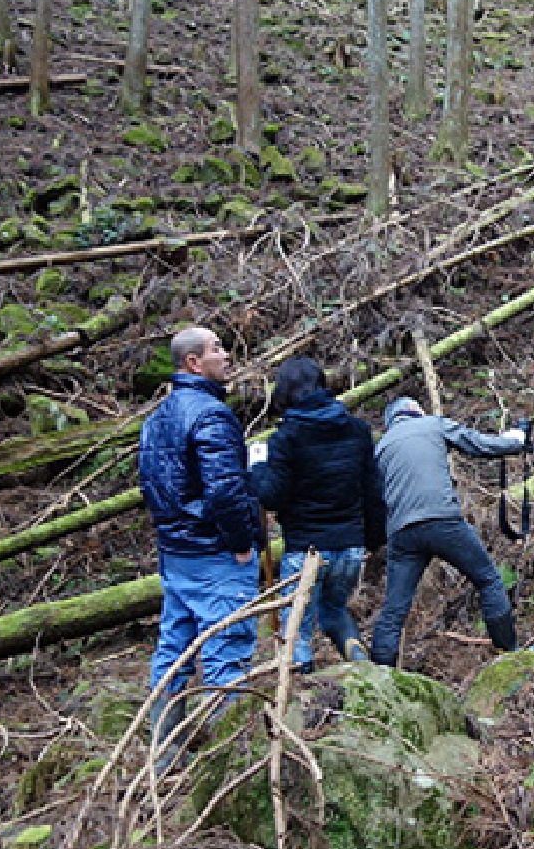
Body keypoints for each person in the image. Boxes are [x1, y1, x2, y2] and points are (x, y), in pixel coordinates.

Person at [137, 326, 265, 764]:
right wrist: (242, 542)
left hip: (176, 552)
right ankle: (233, 762)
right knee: (228, 648)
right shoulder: (211, 415)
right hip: (214, 552)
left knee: (174, 648)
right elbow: (225, 489)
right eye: (216, 349)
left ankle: (164, 753)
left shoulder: (156, 418)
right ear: (193, 362)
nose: (226, 355)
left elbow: (150, 486)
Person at [250, 357, 386, 672]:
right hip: (351, 546)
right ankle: (359, 661)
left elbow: (272, 496)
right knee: (335, 610)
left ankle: (302, 691)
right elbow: (373, 491)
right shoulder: (358, 430)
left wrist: (257, 467)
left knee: (296, 628)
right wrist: (375, 538)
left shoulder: (286, 437)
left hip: (305, 551)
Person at [371, 398, 527, 666]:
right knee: (488, 579)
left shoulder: (381, 448)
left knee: (394, 610)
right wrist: (517, 439)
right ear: (417, 412)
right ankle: (509, 653)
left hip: (402, 533)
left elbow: (375, 499)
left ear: (390, 421)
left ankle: (380, 674)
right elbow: (479, 445)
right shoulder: (433, 425)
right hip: (443, 521)